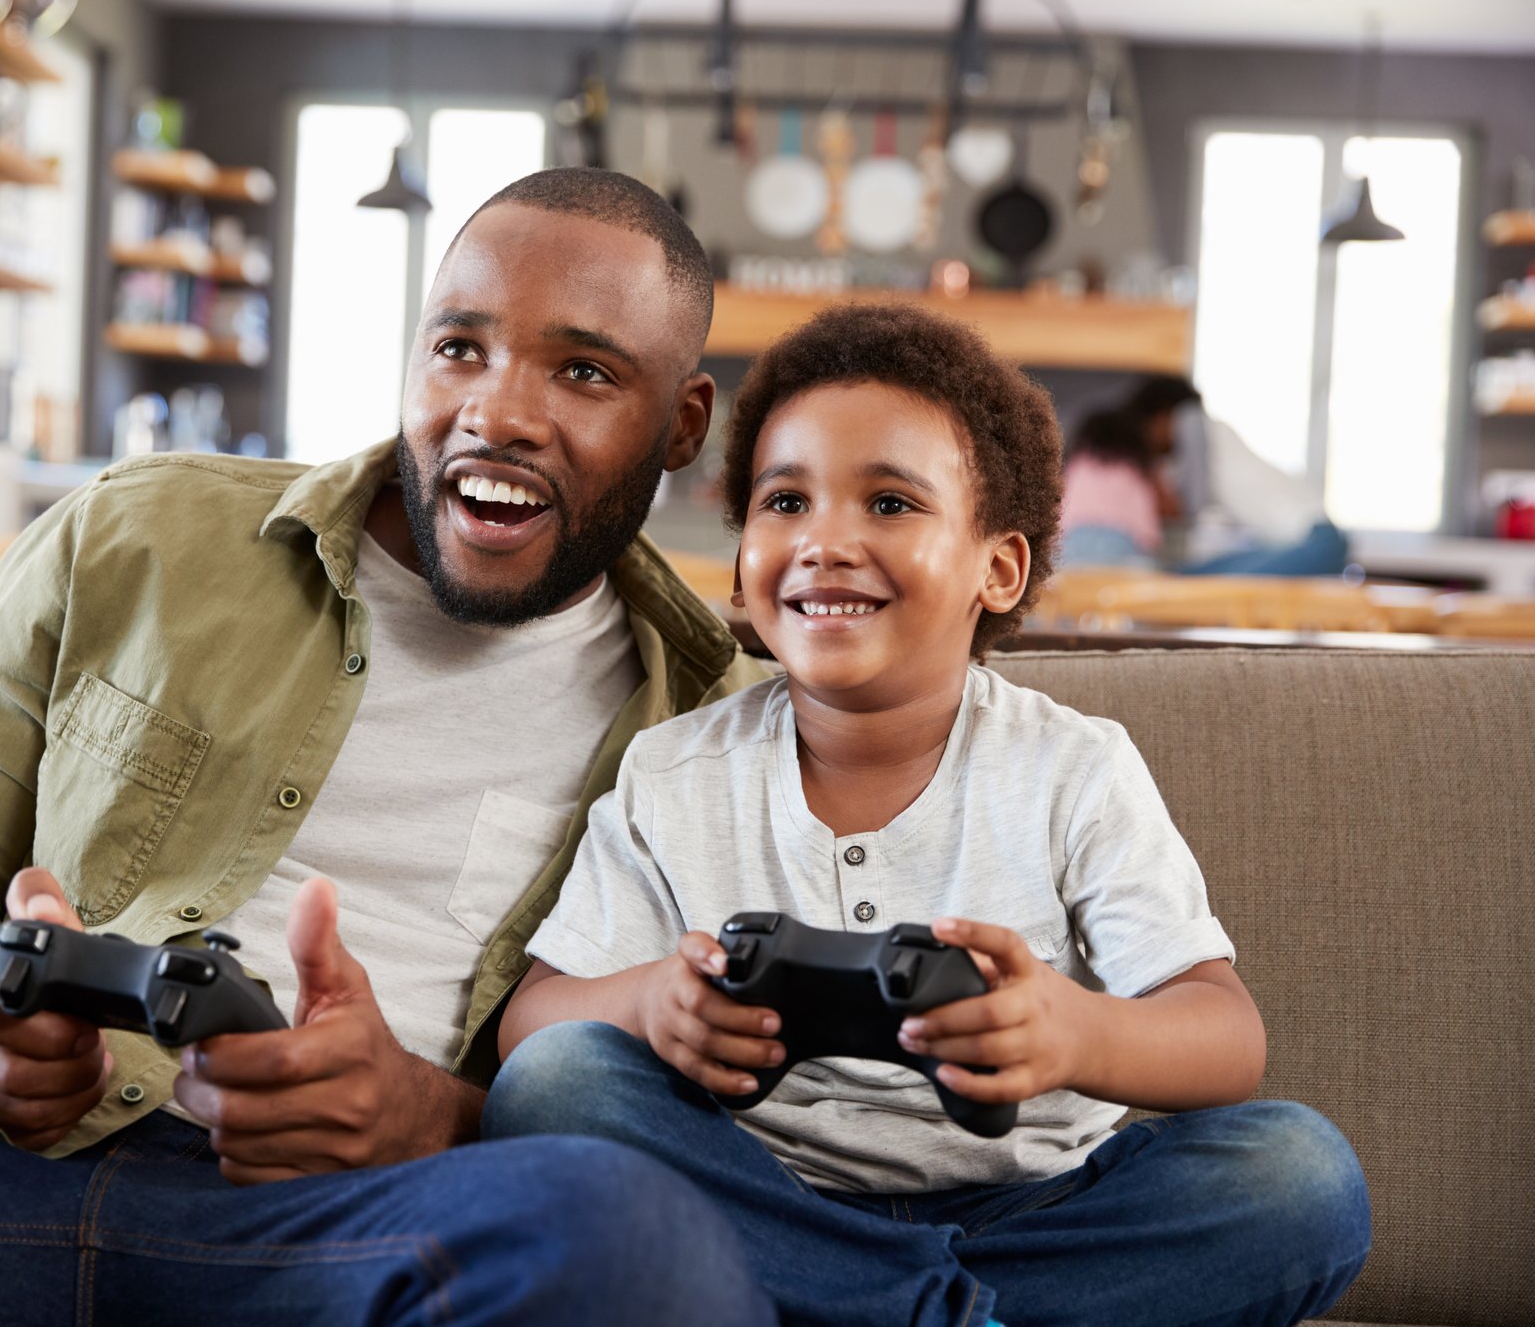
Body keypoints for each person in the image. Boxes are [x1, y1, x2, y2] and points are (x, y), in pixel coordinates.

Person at [0, 171, 779, 1324]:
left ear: (681, 425)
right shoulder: (144, 536)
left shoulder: (721, 720)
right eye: (459, 346)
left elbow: (683, 1100)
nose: (497, 411)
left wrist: (422, 1113)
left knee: (637, 1247)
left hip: (331, 1228)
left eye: (583, 374)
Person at [482, 303, 1372, 1327]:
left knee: (1300, 1171)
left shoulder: (1069, 768)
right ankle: (939, 1312)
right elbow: (531, 1026)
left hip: (1035, 1208)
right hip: (766, 1196)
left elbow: (1223, 1035)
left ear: (997, 567)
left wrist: (1071, 1029)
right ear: (739, 564)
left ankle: (873, 1307)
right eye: (784, 501)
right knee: (554, 1082)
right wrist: (650, 1003)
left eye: (890, 502)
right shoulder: (675, 770)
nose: (823, 541)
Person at [1133, 375, 1351, 577]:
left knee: (1201, 585)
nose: (1148, 439)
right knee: (1189, 577)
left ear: (1162, 415)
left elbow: (1189, 505)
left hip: (1316, 541)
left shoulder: (1190, 420)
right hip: (1293, 544)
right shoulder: (1201, 438)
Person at [1056, 408, 1173, 569]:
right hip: (1122, 554)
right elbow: (1147, 532)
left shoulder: (1076, 466)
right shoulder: (1134, 472)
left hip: (1070, 553)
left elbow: (1058, 518)